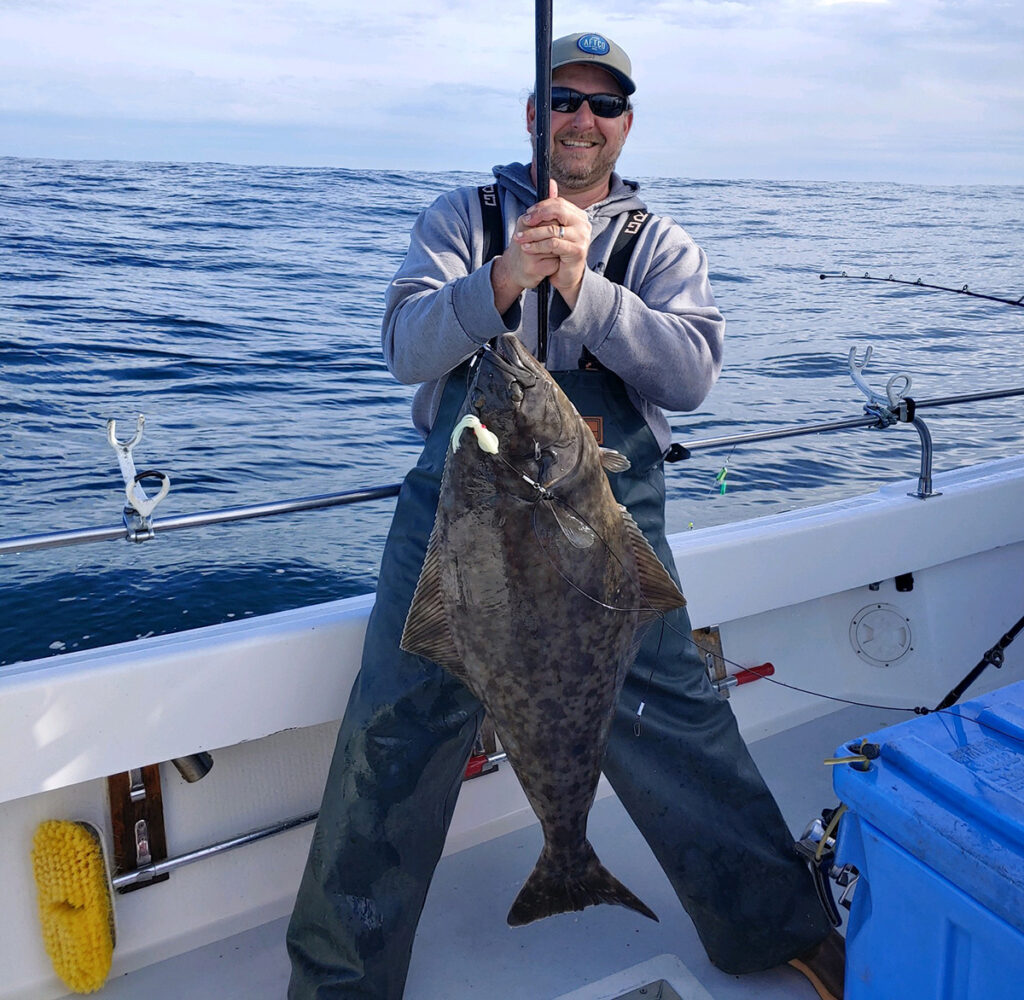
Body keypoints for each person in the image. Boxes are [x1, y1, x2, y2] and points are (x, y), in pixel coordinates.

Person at [287, 31, 844, 1000]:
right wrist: (502, 278)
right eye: (562, 100)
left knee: (669, 709)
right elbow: (407, 349)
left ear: (625, 124)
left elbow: (689, 376)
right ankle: (340, 982)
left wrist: (584, 287)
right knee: (395, 728)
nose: (581, 118)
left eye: (604, 102)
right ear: (532, 116)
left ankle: (773, 925)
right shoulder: (461, 216)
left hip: (604, 516)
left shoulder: (658, 243)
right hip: (461, 516)